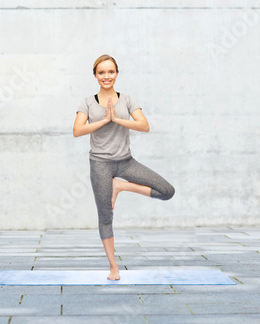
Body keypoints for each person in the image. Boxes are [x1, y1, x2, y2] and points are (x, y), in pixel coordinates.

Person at [73, 54, 175, 280]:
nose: (106, 76)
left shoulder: (127, 99)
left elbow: (144, 125)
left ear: (116, 74)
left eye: (110, 72)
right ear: (95, 75)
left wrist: (118, 119)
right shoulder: (88, 102)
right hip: (100, 164)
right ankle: (113, 267)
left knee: (167, 191)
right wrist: (103, 121)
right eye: (101, 72)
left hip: (126, 162)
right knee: (106, 217)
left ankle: (120, 186)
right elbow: (77, 130)